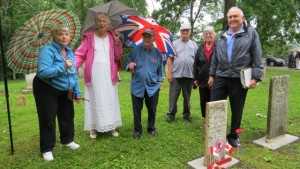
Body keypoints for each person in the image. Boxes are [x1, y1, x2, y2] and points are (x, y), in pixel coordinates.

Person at [208, 7, 263, 147]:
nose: (232, 19)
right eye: (230, 17)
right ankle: (215, 133)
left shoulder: (251, 33)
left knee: (237, 108)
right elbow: (215, 57)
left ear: (242, 18)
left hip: (240, 77)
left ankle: (233, 135)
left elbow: (257, 57)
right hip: (221, 75)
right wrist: (212, 75)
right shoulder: (223, 34)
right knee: (215, 105)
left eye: (235, 16)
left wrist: (255, 78)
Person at [33, 25, 82, 161]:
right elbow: (42, 72)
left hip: (65, 89)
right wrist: (62, 66)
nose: (64, 37)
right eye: (60, 34)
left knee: (67, 115)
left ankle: (66, 141)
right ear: (54, 36)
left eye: (66, 34)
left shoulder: (69, 52)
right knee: (48, 118)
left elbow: (74, 73)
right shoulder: (47, 50)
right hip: (46, 87)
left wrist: (77, 92)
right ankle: (47, 149)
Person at [75, 12, 122, 139]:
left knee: (110, 97)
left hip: (109, 72)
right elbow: (80, 54)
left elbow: (118, 56)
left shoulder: (113, 36)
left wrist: (117, 42)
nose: (102, 24)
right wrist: (73, 66)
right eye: (99, 21)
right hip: (94, 72)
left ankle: (111, 126)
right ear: (95, 23)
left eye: (104, 21)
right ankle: (94, 127)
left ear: (108, 23)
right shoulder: (89, 36)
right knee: (95, 97)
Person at [125, 28, 164, 139]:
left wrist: (160, 82)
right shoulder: (136, 51)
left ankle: (151, 128)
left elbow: (160, 69)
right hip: (137, 86)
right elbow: (127, 63)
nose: (146, 39)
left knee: (152, 109)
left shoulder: (157, 53)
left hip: (152, 87)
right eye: (145, 36)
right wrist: (129, 66)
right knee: (137, 110)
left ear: (153, 38)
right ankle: (137, 130)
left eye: (149, 36)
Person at [166, 23, 198, 123]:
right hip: (176, 75)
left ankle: (186, 114)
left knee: (187, 97)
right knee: (173, 96)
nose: (185, 32)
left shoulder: (194, 44)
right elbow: (170, 59)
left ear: (190, 32)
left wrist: (196, 76)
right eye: (183, 30)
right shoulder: (174, 43)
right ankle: (171, 114)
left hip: (189, 75)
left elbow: (197, 61)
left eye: (187, 30)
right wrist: (169, 73)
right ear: (180, 32)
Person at [193, 26, 216, 128]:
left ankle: (214, 121)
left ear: (214, 34)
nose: (208, 35)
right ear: (203, 36)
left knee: (214, 100)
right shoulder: (200, 48)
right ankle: (206, 120)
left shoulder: (218, 46)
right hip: (202, 80)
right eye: (206, 33)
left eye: (210, 33)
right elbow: (195, 64)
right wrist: (195, 78)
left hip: (216, 79)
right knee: (204, 101)